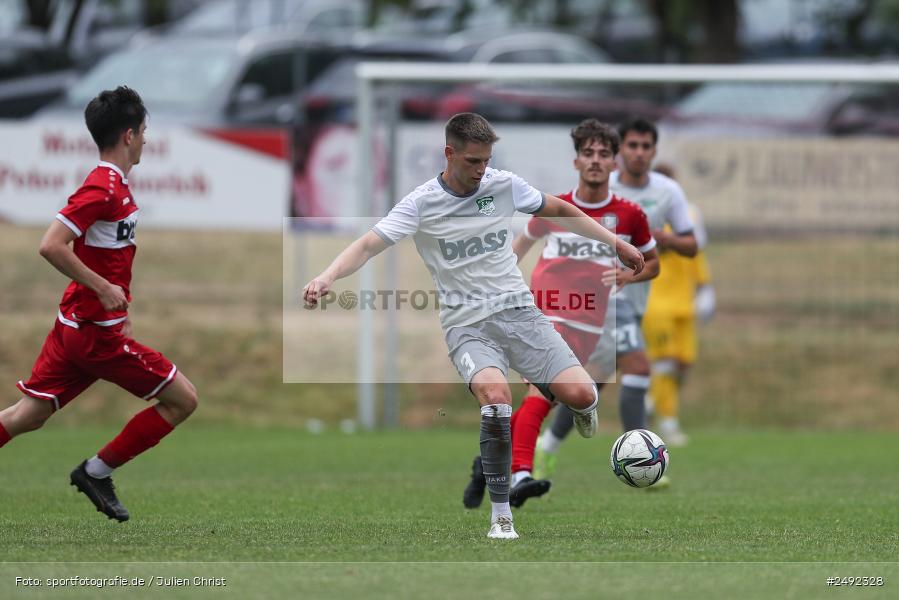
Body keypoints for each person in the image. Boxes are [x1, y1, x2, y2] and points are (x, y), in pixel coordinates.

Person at [303, 113, 645, 540]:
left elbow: (558, 209)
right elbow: (369, 244)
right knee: (496, 399)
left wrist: (616, 243)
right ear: (449, 154)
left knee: (581, 393)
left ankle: (583, 405)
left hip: (520, 313)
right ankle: (501, 515)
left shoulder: (501, 184)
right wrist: (326, 277)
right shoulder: (421, 203)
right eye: (472, 161)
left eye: (486, 160)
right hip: (467, 326)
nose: (481, 169)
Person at [0, 86, 199, 522]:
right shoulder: (103, 186)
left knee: (25, 416)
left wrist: (113, 303)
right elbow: (51, 245)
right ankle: (96, 471)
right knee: (183, 400)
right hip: (95, 336)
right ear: (128, 135)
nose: (147, 139)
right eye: (144, 131)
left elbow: (102, 254)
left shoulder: (115, 186)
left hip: (76, 325)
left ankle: (95, 472)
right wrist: (105, 292)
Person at [462, 119, 659, 510]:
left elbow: (653, 263)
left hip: (589, 325)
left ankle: (487, 462)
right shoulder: (554, 208)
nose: (596, 161)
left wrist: (627, 274)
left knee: (547, 399)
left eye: (604, 154)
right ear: (576, 161)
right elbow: (516, 249)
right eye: (589, 154)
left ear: (614, 163)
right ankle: (520, 475)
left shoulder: (630, 214)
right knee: (540, 391)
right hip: (544, 314)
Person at [533, 117, 697, 482]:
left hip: (637, 299)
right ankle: (644, 455)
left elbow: (692, 245)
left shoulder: (667, 192)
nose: (638, 153)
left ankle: (547, 446)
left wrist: (661, 240)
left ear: (654, 151)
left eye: (645, 146)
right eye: (631, 146)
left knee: (594, 381)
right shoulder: (597, 190)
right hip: (602, 302)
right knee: (637, 366)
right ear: (619, 153)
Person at [642, 163, 716, 447]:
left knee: (683, 366)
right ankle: (668, 422)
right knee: (665, 364)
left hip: (685, 302)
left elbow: (697, 253)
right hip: (657, 302)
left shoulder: (688, 216)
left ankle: (651, 400)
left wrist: (706, 287)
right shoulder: (647, 217)